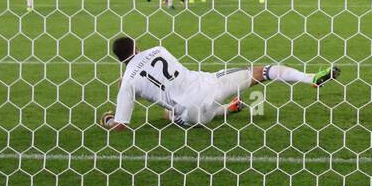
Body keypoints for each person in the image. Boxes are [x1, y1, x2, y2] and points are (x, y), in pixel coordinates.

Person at [98, 36, 341, 130]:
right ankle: (311, 79)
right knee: (264, 71)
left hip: (192, 117)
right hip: (210, 85)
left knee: (168, 112)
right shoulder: (158, 49)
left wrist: (108, 119)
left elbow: (121, 126)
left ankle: (226, 110)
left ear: (119, 59)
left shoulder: (128, 81)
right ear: (137, 46)